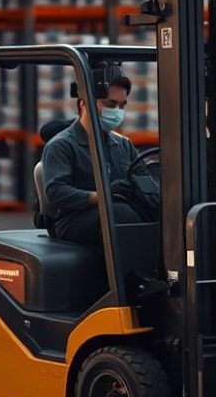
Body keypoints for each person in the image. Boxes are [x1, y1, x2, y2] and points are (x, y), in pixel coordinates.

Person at [41, 75, 143, 293]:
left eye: (122, 105)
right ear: (83, 103)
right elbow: (56, 192)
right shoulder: (61, 145)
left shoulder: (123, 145)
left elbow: (142, 177)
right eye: (110, 104)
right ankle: (132, 287)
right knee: (121, 215)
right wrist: (102, 196)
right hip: (73, 218)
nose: (117, 111)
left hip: (111, 211)